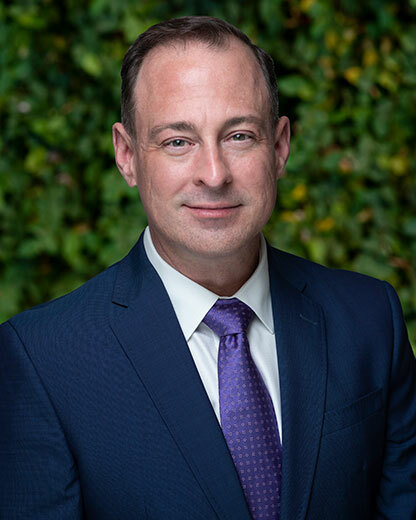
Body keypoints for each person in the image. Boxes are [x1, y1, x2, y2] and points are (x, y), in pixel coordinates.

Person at [0, 15, 415, 520]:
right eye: (178, 141)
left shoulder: (370, 319)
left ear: (279, 147)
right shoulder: (41, 359)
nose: (214, 175)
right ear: (127, 156)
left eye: (239, 135)